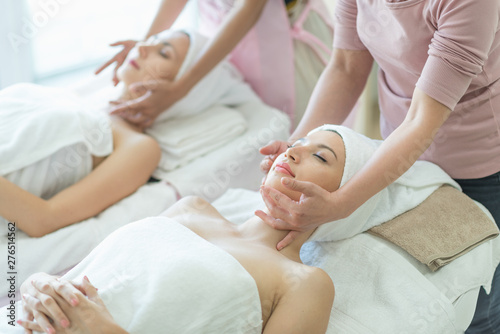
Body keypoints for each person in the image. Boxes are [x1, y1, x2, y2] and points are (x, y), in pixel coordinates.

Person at [258, 0, 500, 332]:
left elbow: (421, 119)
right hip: (396, 145)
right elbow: (345, 66)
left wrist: (340, 204)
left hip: (479, 157)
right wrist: (296, 143)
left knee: (475, 295)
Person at [16, 128, 345, 334]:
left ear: (343, 196)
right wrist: (39, 286)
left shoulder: (304, 283)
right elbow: (87, 274)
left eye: (319, 156)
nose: (292, 150)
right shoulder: (193, 209)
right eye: (298, 141)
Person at [0, 30, 192, 238]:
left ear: (183, 86)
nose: (142, 48)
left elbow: (45, 219)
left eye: (163, 53)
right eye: (150, 41)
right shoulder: (75, 98)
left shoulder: (139, 146)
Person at [96, 0, 334, 128]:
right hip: (221, 38)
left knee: (299, 137)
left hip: (289, 48)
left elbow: (250, 6)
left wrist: (179, 90)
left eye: (164, 52)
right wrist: (144, 44)